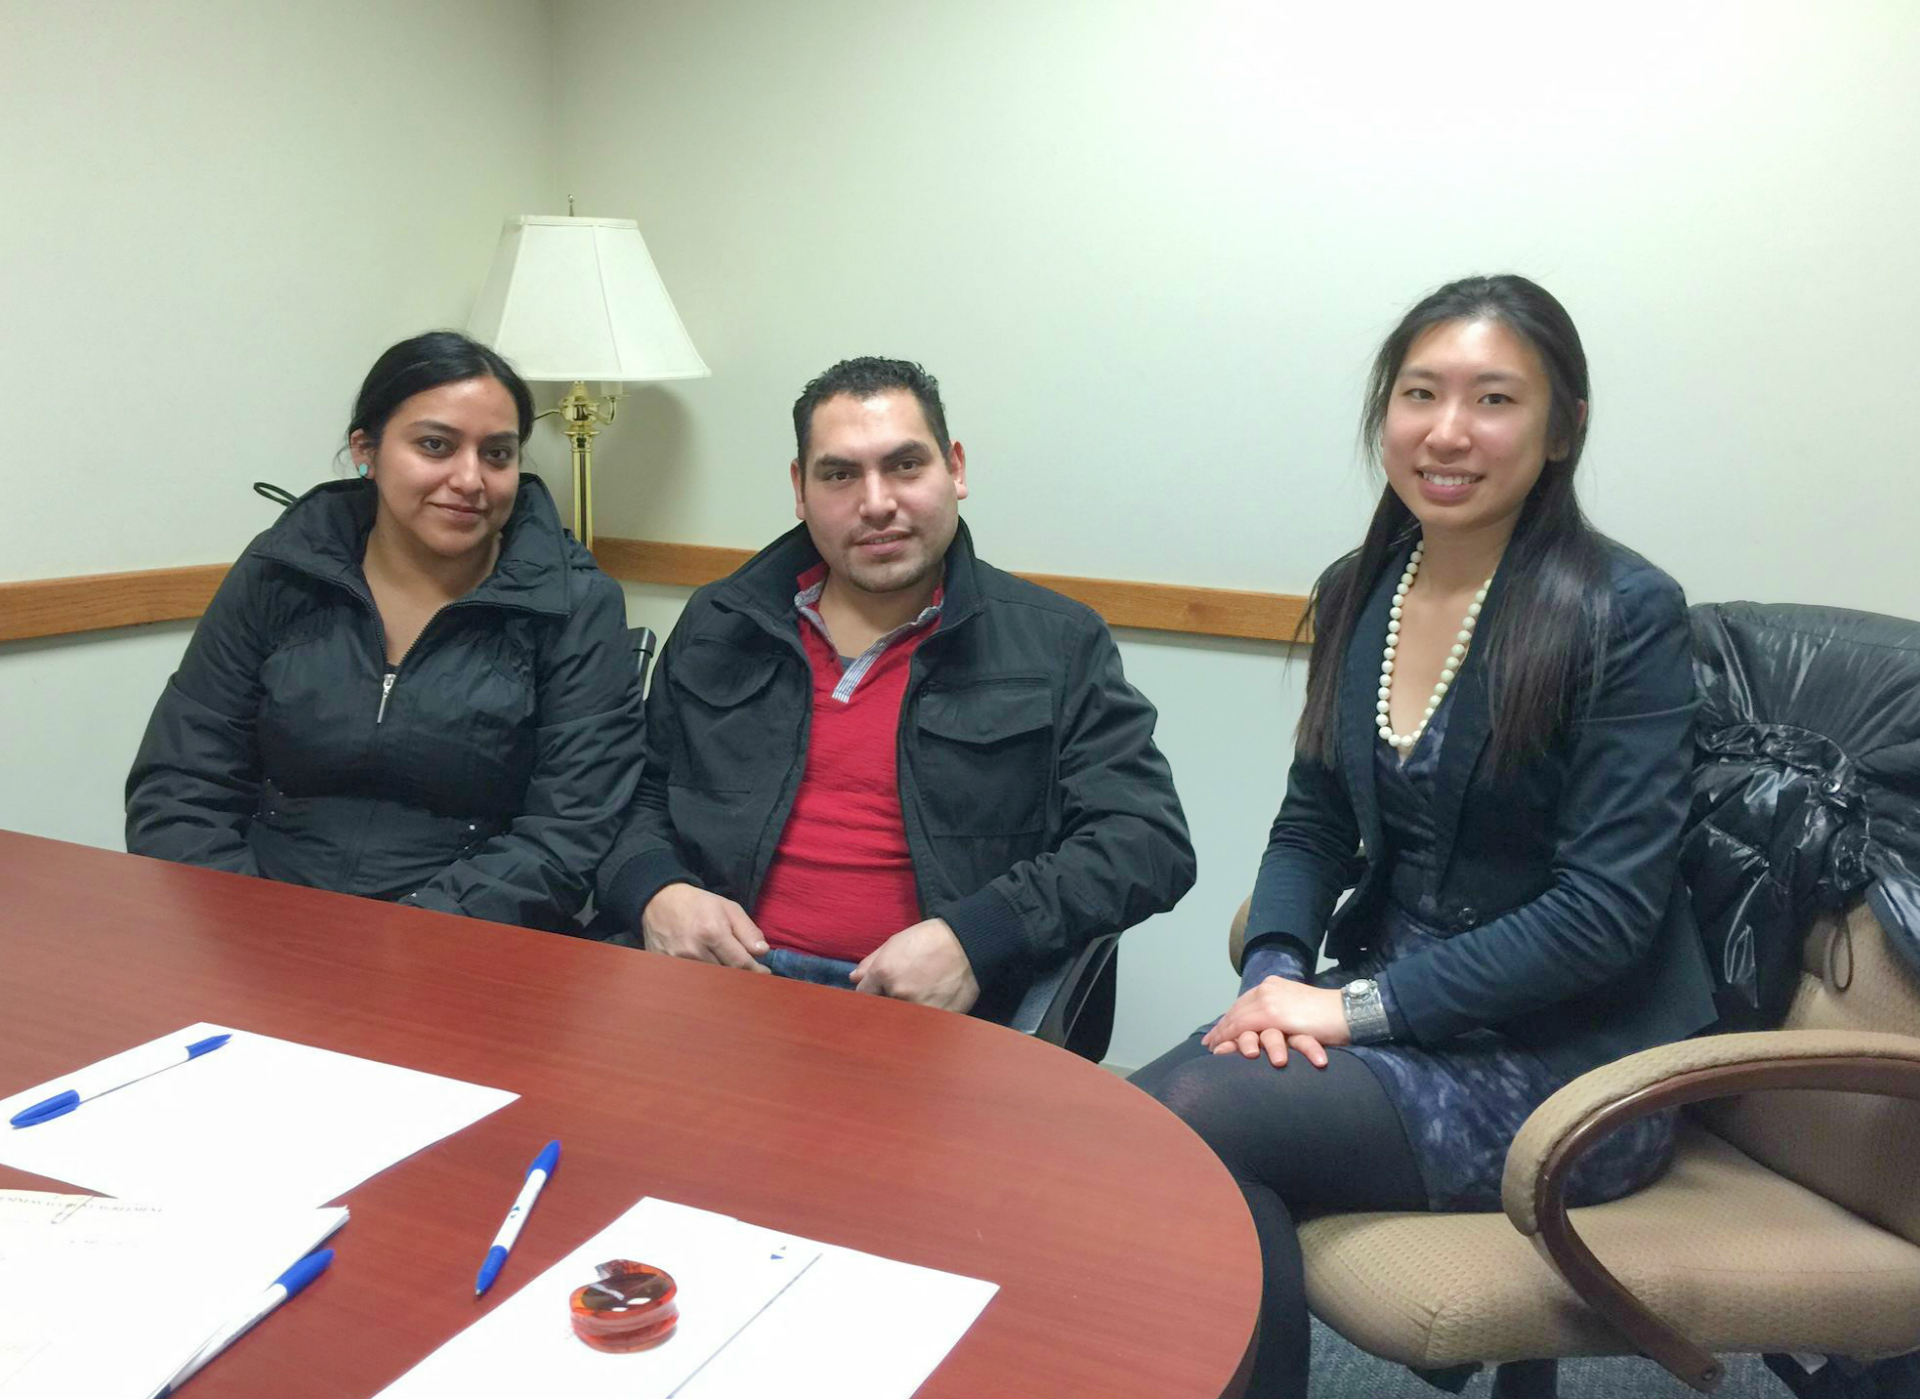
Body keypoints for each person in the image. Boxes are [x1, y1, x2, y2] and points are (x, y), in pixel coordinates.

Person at [1130, 276, 1718, 1397]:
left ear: (1561, 428)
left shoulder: (1624, 611)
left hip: (1571, 1060)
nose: (1448, 432)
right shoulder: (1362, 588)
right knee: (1171, 1135)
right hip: (1392, 1013)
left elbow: (1604, 916)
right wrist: (1274, 974)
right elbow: (1312, 819)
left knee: (1180, 1120)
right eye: (1419, 394)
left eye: (1494, 399)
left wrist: (1346, 1009)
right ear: (1383, 412)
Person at [592, 356, 1194, 1022]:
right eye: (840, 473)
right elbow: (634, 794)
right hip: (719, 992)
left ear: (955, 468)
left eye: (905, 465)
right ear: (800, 488)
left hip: (930, 1016)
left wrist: (978, 935)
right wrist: (656, 889)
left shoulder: (1057, 642)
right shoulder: (721, 622)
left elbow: (1144, 840)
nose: (876, 502)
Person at [126, 330, 645, 932]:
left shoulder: (575, 602)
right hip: (255, 925)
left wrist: (404, 938)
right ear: (364, 450)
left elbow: (569, 829)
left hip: (466, 941)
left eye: (498, 454)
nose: (471, 478)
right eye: (435, 445)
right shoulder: (281, 571)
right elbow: (182, 779)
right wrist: (249, 920)